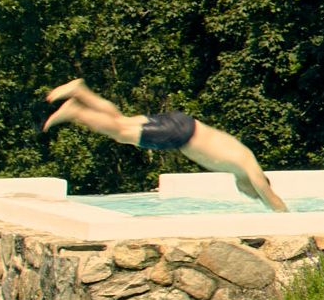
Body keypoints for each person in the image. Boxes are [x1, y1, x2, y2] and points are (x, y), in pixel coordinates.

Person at [41, 79, 290, 210]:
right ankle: (76, 111)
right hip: (180, 134)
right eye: (250, 193)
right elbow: (271, 197)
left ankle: (81, 92)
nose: (246, 193)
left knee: (120, 123)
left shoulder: (240, 163)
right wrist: (287, 217)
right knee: (119, 132)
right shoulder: (250, 167)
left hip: (182, 125)